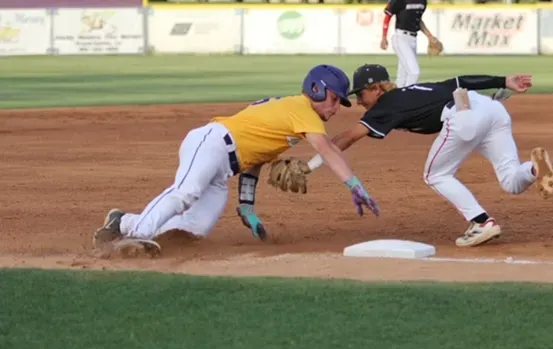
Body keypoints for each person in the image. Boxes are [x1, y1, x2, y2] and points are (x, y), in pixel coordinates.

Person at [92, 65, 380, 255]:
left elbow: (254, 163)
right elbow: (327, 149)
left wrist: (247, 208)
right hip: (213, 142)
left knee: (194, 228)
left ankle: (123, 222)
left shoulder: (291, 119)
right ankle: (137, 235)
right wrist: (354, 185)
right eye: (334, 99)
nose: (336, 107)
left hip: (225, 166)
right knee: (186, 192)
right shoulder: (302, 109)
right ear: (316, 89)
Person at [305, 64, 553, 248]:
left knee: (435, 175)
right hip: (491, 109)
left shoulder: (386, 105)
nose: (359, 101)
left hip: (463, 116)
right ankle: (534, 169)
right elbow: (461, 80)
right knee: (512, 181)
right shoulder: (416, 90)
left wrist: (310, 165)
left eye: (361, 94)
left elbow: (348, 138)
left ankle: (482, 222)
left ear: (377, 89)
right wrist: (504, 81)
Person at [379, 0, 441, 88]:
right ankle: (408, 94)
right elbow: (388, 16)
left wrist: (430, 36)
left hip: (413, 40)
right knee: (414, 72)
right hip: (401, 38)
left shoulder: (422, 1)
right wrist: (384, 37)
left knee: (403, 76)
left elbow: (418, 21)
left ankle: (399, 94)